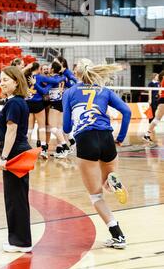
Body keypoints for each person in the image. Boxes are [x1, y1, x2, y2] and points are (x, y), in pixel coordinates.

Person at [63, 58, 131, 249]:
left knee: (96, 196)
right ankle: (111, 179)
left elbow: (66, 126)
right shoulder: (105, 90)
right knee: (106, 177)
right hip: (107, 138)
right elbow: (126, 111)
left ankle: (117, 236)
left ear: (76, 74)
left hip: (86, 140)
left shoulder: (70, 92)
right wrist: (121, 138)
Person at [0, 66, 33, 253]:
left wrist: (4, 157)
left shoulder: (14, 104)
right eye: (1, 79)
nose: (1, 83)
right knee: (17, 198)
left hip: (15, 155)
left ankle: (20, 242)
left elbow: (12, 131)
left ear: (16, 82)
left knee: (15, 199)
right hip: (19, 152)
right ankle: (21, 240)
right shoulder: (16, 102)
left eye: (5, 80)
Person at [24, 62, 50, 158]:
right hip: (38, 103)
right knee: (42, 127)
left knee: (29, 129)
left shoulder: (26, 76)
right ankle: (43, 150)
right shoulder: (40, 77)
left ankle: (26, 149)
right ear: (38, 69)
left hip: (28, 103)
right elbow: (53, 81)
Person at [143, 70, 164, 142]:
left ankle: (147, 134)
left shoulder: (159, 82)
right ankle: (147, 134)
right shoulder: (163, 79)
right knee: (157, 119)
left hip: (159, 99)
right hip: (163, 100)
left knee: (157, 119)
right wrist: (150, 99)